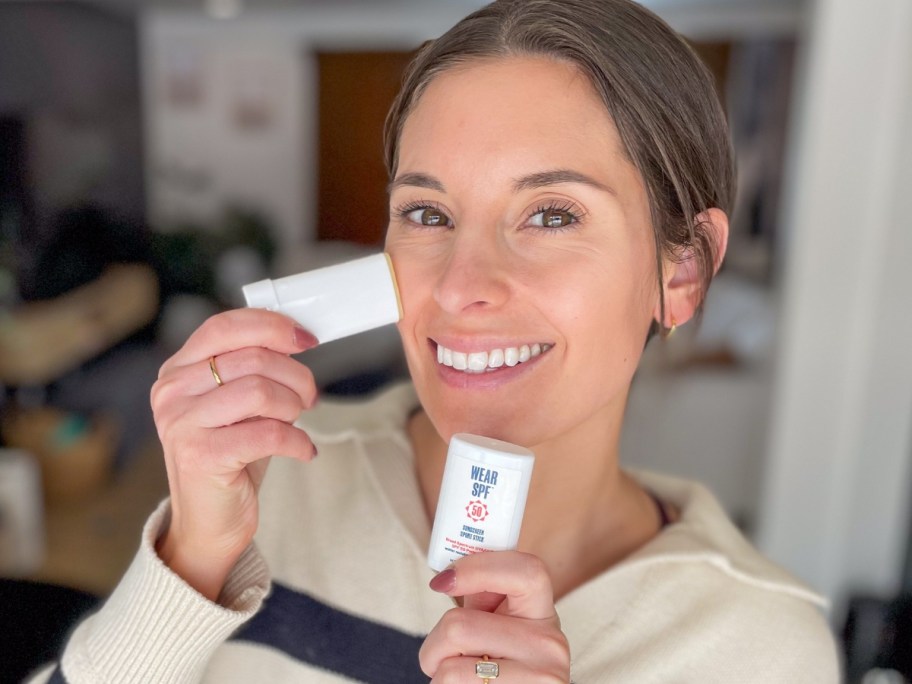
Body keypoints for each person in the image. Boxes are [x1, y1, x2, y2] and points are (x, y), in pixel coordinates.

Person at [30, 0, 840, 681]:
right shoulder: (268, 486)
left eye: (552, 214)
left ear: (685, 269)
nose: (458, 287)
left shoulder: (761, 648)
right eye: (428, 214)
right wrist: (191, 559)